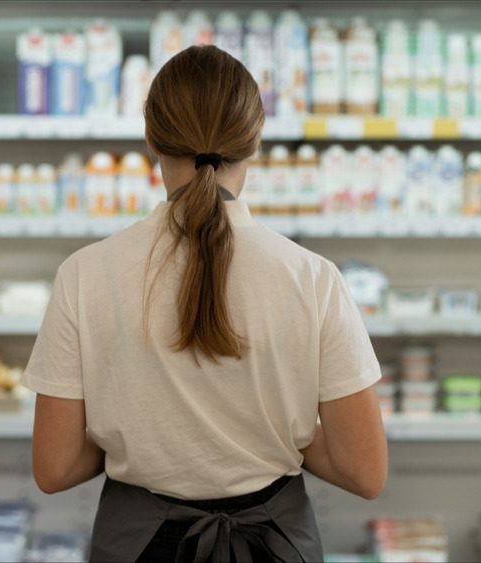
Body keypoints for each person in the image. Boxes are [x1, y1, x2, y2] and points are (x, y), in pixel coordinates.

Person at [23, 45, 387, 563]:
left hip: (139, 545)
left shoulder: (85, 273)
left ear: (151, 138)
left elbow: (54, 469)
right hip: (274, 545)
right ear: (255, 141)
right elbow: (364, 473)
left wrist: (141, 432)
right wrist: (281, 430)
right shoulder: (314, 278)